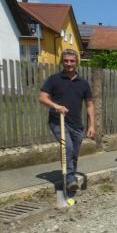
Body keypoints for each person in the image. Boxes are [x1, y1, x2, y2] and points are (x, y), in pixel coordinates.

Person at [38, 49, 96, 192]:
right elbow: (42, 97)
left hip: (76, 124)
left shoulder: (83, 83)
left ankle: (70, 175)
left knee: (74, 153)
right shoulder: (54, 79)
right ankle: (70, 179)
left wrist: (92, 125)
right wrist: (56, 106)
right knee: (68, 148)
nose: (69, 64)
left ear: (76, 62)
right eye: (66, 61)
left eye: (72, 61)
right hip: (58, 121)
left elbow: (89, 104)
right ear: (62, 62)